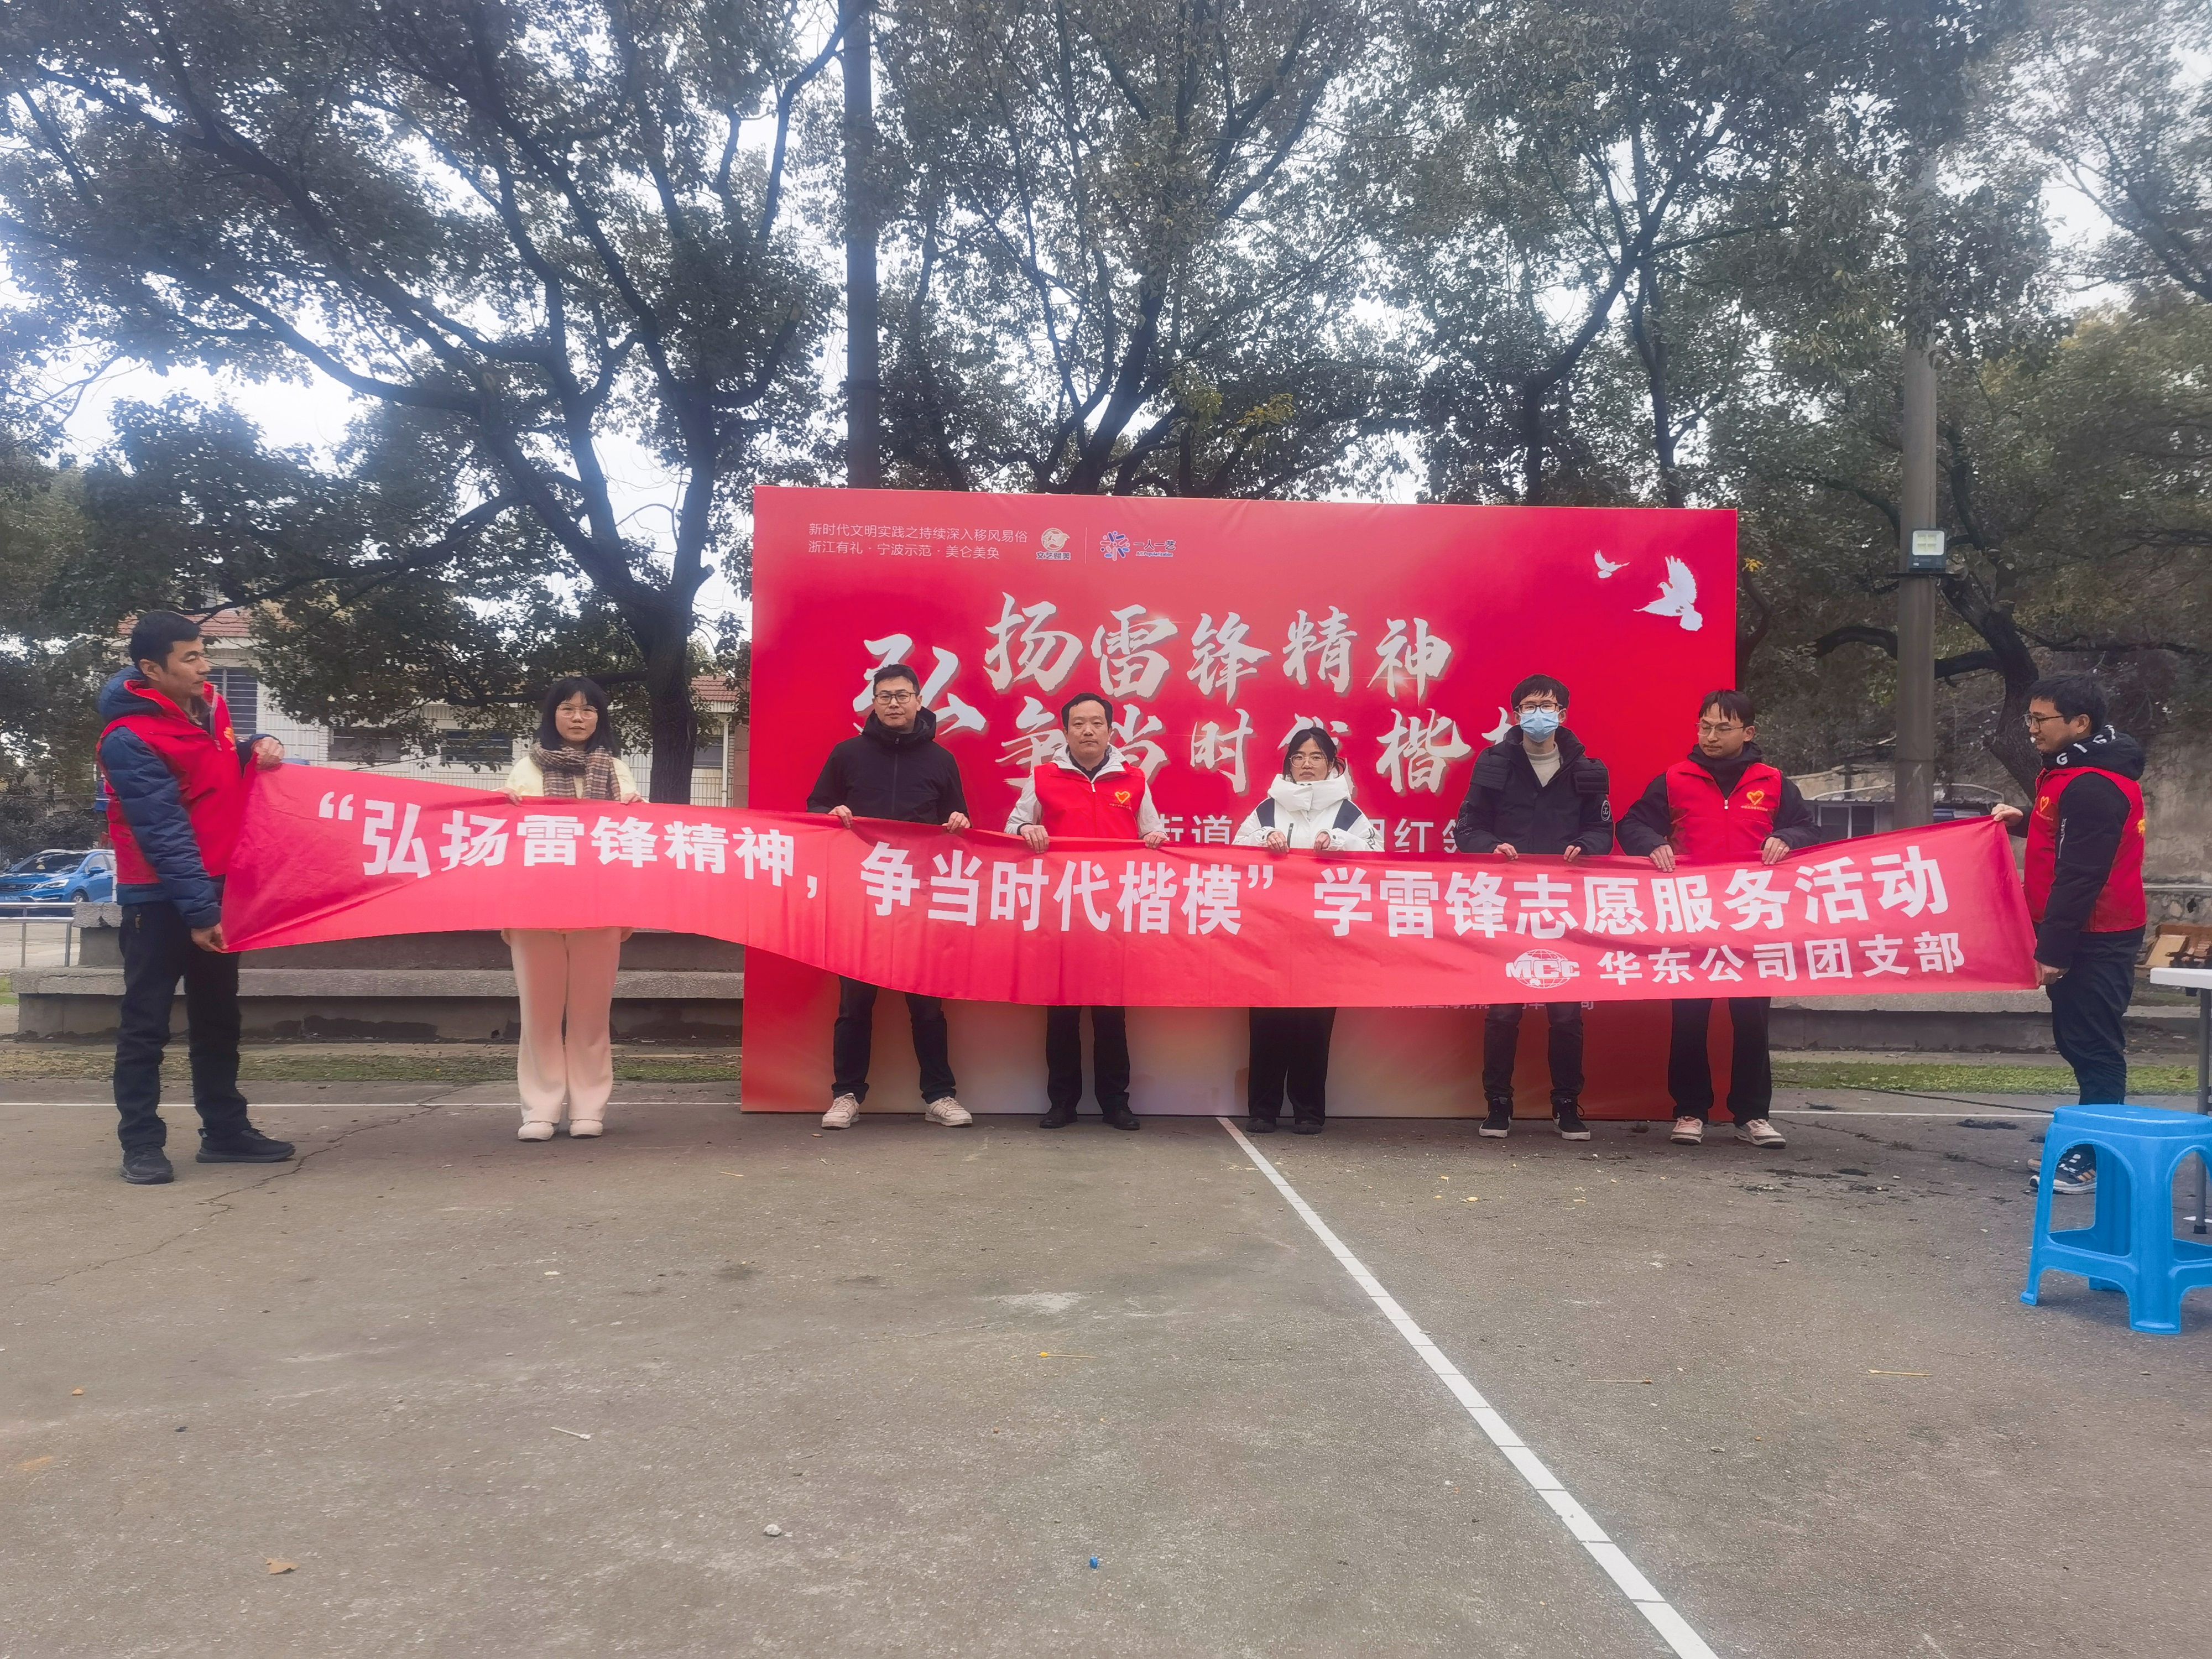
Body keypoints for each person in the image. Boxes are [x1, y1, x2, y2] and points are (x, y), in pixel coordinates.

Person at [97, 610, 294, 1185]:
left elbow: (214, 779)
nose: (204, 666)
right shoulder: (128, 738)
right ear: (151, 669)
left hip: (218, 889)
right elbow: (163, 831)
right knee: (146, 1025)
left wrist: (258, 746)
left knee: (218, 1019)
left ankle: (226, 1132)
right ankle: (141, 1144)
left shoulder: (209, 710)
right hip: (157, 899)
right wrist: (201, 912)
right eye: (191, 658)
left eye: (203, 653)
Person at [1617, 688, 1816, 1149]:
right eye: (1704, 727)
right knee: (1690, 1017)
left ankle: (1753, 1115)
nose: (1710, 736)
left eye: (1722, 728)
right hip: (1693, 916)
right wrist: (1652, 843)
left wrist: (1788, 836)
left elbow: (1810, 828)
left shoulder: (1773, 782)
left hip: (1753, 918)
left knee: (1752, 1021)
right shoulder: (1674, 779)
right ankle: (1690, 1111)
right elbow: (1631, 824)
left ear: (1748, 732)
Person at [1991, 674, 2148, 1196]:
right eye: (2030, 718)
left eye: (2041, 719)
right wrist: (2021, 820)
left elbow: (2081, 874)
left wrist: (2054, 949)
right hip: (2080, 930)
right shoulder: (2070, 771)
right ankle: (2090, 1140)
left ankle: (2096, 1157)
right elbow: (2063, 831)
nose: (2031, 728)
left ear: (2080, 723)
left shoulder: (2094, 785)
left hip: (2097, 935)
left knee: (2094, 1045)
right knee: (2078, 1040)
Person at [807, 662, 975, 1130]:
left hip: (921, 898)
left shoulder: (941, 760)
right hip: (861, 896)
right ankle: (845, 1095)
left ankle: (939, 1096)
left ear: (919, 700)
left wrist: (959, 821)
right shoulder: (847, 754)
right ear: (874, 702)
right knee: (854, 1004)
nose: (894, 703)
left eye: (903, 695)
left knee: (927, 1005)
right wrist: (831, 813)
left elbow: (958, 817)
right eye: (885, 696)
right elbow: (816, 806)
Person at [1453, 674, 1614, 1140]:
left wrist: (1587, 846)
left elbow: (1602, 831)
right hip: (1506, 903)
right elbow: (1468, 828)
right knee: (1504, 1010)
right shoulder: (1494, 763)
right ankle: (1497, 1104)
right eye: (1529, 706)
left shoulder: (1587, 768)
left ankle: (1566, 1104)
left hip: (1563, 904)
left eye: (1547, 705)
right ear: (1515, 714)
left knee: (1565, 1012)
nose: (1538, 713)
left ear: (1563, 714)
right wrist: (1491, 846)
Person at [1006, 691, 1167, 1129]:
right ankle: (1062, 1103)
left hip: (1114, 914)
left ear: (1111, 730)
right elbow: (1013, 827)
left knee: (1111, 1013)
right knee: (1061, 1011)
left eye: (1097, 723)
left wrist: (1155, 839)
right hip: (1060, 912)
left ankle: (1116, 1103)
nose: (1088, 730)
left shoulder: (1134, 779)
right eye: (1079, 723)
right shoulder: (1042, 777)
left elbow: (1153, 832)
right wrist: (1028, 828)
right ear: (1065, 731)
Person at [500, 677, 641, 1142]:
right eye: (568, 708)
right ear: (552, 715)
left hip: (599, 909)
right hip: (534, 909)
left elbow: (633, 840)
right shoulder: (526, 770)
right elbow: (503, 838)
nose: (578, 718)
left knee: (590, 1016)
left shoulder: (617, 771)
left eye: (588, 710)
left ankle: (589, 1107)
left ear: (600, 718)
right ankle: (540, 1109)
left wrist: (637, 809)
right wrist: (503, 807)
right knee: (538, 1016)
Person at [1232, 727, 1382, 1135]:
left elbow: (1377, 858)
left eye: (1316, 757)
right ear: (1289, 764)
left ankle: (1309, 1111)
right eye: (1298, 757)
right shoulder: (1268, 808)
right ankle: (1263, 1110)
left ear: (1332, 764)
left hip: (1324, 937)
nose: (1307, 764)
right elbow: (1235, 851)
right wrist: (1264, 838)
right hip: (1271, 934)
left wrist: (1339, 841)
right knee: (1267, 1024)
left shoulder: (1348, 813)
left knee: (1313, 1026)